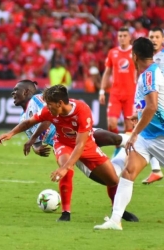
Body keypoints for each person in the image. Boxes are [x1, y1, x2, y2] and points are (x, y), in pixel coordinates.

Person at [0, 83, 138, 221]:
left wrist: (64, 168)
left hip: (84, 143)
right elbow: (28, 123)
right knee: (66, 169)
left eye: (49, 104)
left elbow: (81, 144)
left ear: (60, 103)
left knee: (113, 179)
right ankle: (66, 213)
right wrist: (11, 134)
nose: (47, 108)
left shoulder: (82, 110)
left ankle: (119, 209)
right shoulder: (48, 111)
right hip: (62, 142)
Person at [94, 37, 164, 230]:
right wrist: (138, 115)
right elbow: (150, 107)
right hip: (148, 136)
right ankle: (115, 220)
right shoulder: (150, 73)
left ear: (134, 55)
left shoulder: (148, 75)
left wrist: (133, 134)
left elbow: (152, 106)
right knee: (128, 171)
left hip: (160, 136)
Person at [98, 27, 136, 145]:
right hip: (115, 93)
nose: (122, 38)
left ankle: (127, 151)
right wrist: (102, 91)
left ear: (130, 37)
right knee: (111, 123)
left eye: (125, 35)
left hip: (131, 93)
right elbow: (107, 72)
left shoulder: (135, 53)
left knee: (129, 125)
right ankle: (119, 147)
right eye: (120, 36)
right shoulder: (112, 52)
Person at [140, 27, 164, 184]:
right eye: (151, 37)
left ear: (162, 39)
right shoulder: (149, 59)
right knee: (149, 133)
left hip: (160, 102)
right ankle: (156, 169)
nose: (154, 39)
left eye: (157, 36)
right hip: (155, 102)